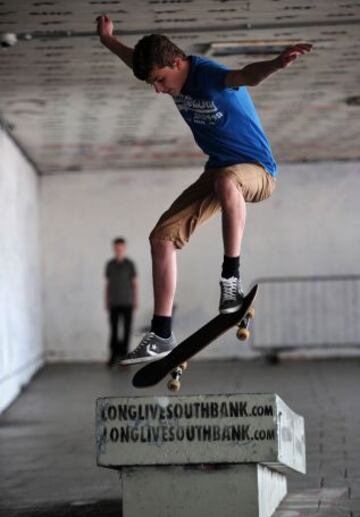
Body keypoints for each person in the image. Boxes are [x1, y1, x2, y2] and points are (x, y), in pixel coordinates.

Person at [97, 15, 312, 365]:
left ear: (178, 63)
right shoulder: (168, 72)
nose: (159, 89)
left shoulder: (207, 75)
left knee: (228, 180)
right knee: (161, 238)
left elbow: (246, 75)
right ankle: (162, 332)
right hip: (217, 171)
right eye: (154, 83)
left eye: (161, 81)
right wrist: (108, 40)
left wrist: (276, 63)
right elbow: (135, 59)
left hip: (257, 171)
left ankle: (231, 281)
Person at [104, 238, 138, 365]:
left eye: (121, 248)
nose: (119, 250)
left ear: (124, 248)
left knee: (126, 330)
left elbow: (135, 284)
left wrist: (135, 300)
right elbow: (108, 285)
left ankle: (125, 358)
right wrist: (106, 300)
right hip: (114, 302)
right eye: (117, 248)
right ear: (114, 249)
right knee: (113, 330)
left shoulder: (130, 264)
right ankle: (113, 356)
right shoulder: (110, 265)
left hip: (127, 302)